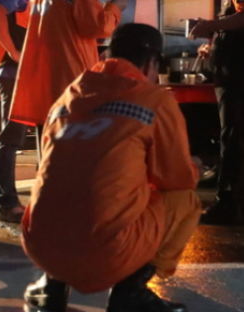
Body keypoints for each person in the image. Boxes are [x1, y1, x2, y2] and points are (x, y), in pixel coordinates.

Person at [22, 24, 202, 312]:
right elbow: (177, 178)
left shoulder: (69, 96)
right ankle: (131, 292)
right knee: (185, 200)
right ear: (150, 63)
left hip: (40, 246)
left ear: (107, 55)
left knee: (69, 179)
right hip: (106, 254)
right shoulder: (154, 100)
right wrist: (195, 167)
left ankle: (51, 286)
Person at [9, 0, 128, 127]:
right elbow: (98, 26)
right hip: (72, 78)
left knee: (50, 138)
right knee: (76, 139)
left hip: (46, 82)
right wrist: (116, 6)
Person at [190, 0, 244, 226]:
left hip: (238, 75)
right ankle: (229, 201)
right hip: (229, 72)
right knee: (231, 136)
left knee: (234, 138)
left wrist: (210, 26)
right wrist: (212, 44)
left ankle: (229, 203)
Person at [0, 0, 31, 223]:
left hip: (24, 72)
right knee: (12, 137)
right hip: (13, 71)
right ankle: (6, 203)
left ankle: (9, 202)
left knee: (41, 134)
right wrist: (14, 53)